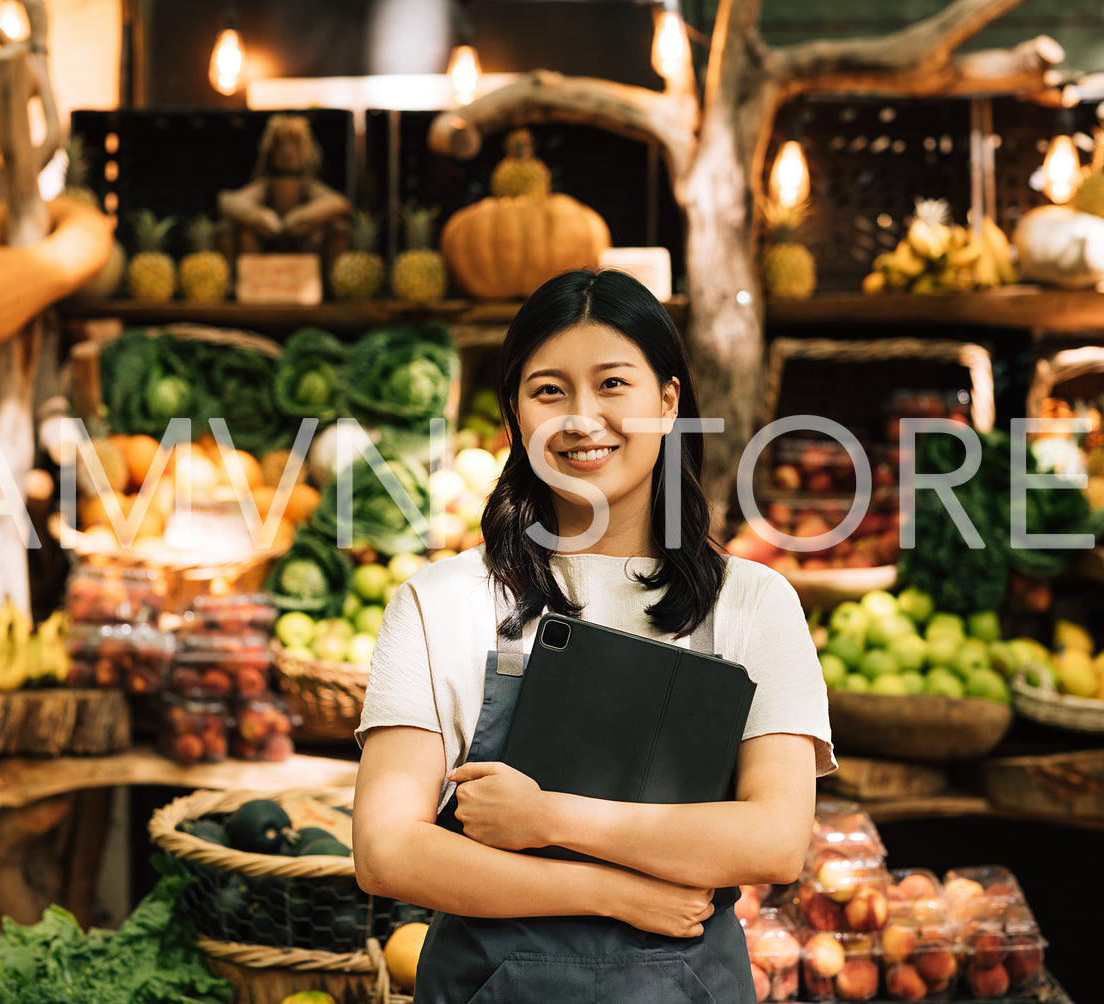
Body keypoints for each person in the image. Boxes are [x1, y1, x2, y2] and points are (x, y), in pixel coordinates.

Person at [353, 268, 834, 1003]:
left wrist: (546, 816)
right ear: (514, 415)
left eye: (613, 384)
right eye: (549, 390)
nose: (582, 419)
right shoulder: (442, 602)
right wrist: (608, 892)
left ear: (668, 401)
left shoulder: (753, 603)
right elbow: (387, 852)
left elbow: (772, 840)